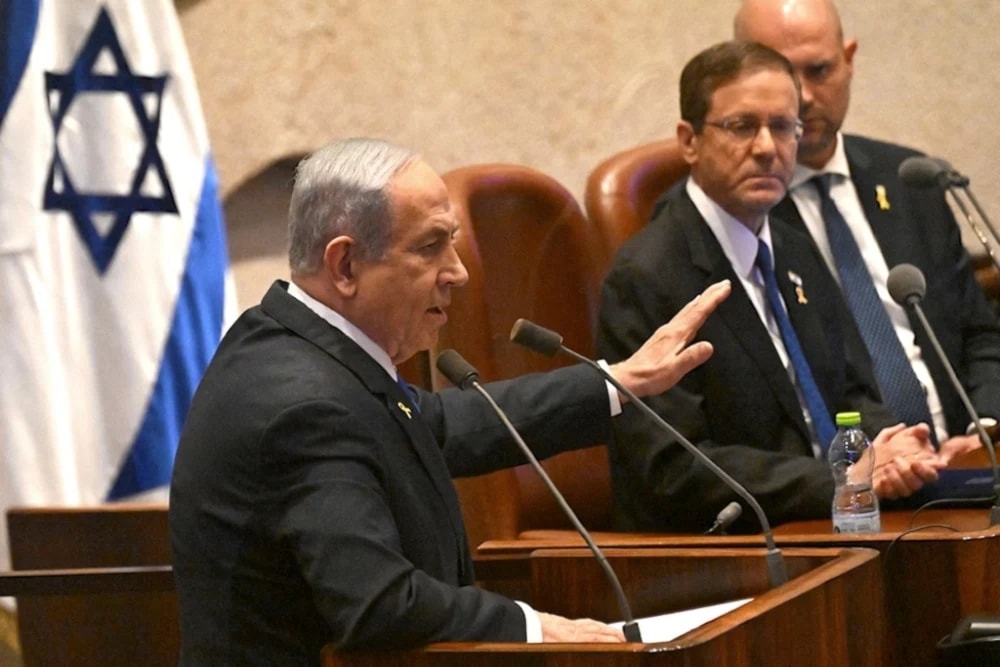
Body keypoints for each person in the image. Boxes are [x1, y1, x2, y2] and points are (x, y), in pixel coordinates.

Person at [169, 137, 732, 664]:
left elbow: (438, 422)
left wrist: (619, 381)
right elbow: (379, 603)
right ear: (344, 265)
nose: (458, 273)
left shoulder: (294, 345)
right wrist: (535, 628)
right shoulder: (302, 403)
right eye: (430, 246)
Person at [596, 40, 947, 535]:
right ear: (689, 140)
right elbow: (673, 467)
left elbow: (853, 391)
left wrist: (892, 447)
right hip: (725, 549)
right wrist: (845, 475)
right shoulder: (648, 275)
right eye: (741, 127)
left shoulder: (794, 248)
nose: (766, 148)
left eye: (783, 127)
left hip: (829, 525)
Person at [734, 0, 1000, 452]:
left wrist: (984, 431)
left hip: (966, 460)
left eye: (819, 70)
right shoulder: (735, 215)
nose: (805, 96)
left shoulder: (910, 178)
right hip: (848, 485)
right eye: (782, 75)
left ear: (849, 60)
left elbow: (978, 334)